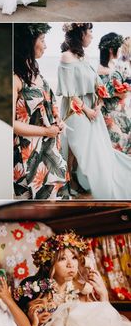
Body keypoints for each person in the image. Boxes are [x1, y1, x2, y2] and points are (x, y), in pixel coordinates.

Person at [15, 233, 131, 326]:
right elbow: (22, 321)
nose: (70, 264)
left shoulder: (81, 290)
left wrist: (103, 295)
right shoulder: (35, 288)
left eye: (74, 258)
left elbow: (102, 321)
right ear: (50, 264)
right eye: (62, 259)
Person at [56, 23, 131, 199]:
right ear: (80, 33)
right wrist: (87, 110)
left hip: (92, 108)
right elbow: (69, 93)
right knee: (75, 148)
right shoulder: (66, 57)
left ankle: (80, 180)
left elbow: (97, 84)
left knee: (95, 149)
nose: (91, 36)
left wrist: (97, 104)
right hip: (76, 110)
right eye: (89, 32)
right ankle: (68, 183)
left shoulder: (84, 57)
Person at [14, 24, 69, 200]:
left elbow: (47, 104)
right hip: (29, 152)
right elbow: (11, 123)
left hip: (49, 148)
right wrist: (46, 131)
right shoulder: (15, 78)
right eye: (43, 40)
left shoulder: (34, 71)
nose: (45, 46)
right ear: (28, 43)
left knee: (57, 193)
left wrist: (58, 120)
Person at [97, 32, 131, 154]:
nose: (120, 51)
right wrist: (122, 92)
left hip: (120, 111)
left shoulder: (112, 65)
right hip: (111, 114)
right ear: (111, 50)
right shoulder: (101, 70)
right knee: (118, 146)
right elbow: (104, 92)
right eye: (118, 48)